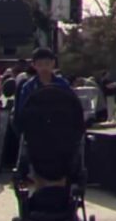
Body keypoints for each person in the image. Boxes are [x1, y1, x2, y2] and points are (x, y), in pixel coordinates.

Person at [13, 48, 75, 180]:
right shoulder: (28, 87)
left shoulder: (62, 84)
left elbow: (72, 106)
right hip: (37, 132)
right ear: (34, 65)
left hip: (60, 131)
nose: (44, 68)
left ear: (53, 64)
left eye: (47, 64)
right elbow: (22, 111)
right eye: (40, 64)